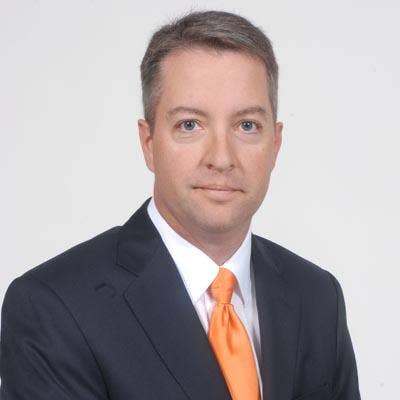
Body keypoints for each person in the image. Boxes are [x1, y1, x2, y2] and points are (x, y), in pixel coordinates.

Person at [0, 10, 361, 400]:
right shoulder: (54, 307)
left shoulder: (317, 297)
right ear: (149, 143)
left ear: (275, 145)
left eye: (247, 125)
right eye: (190, 125)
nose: (221, 158)